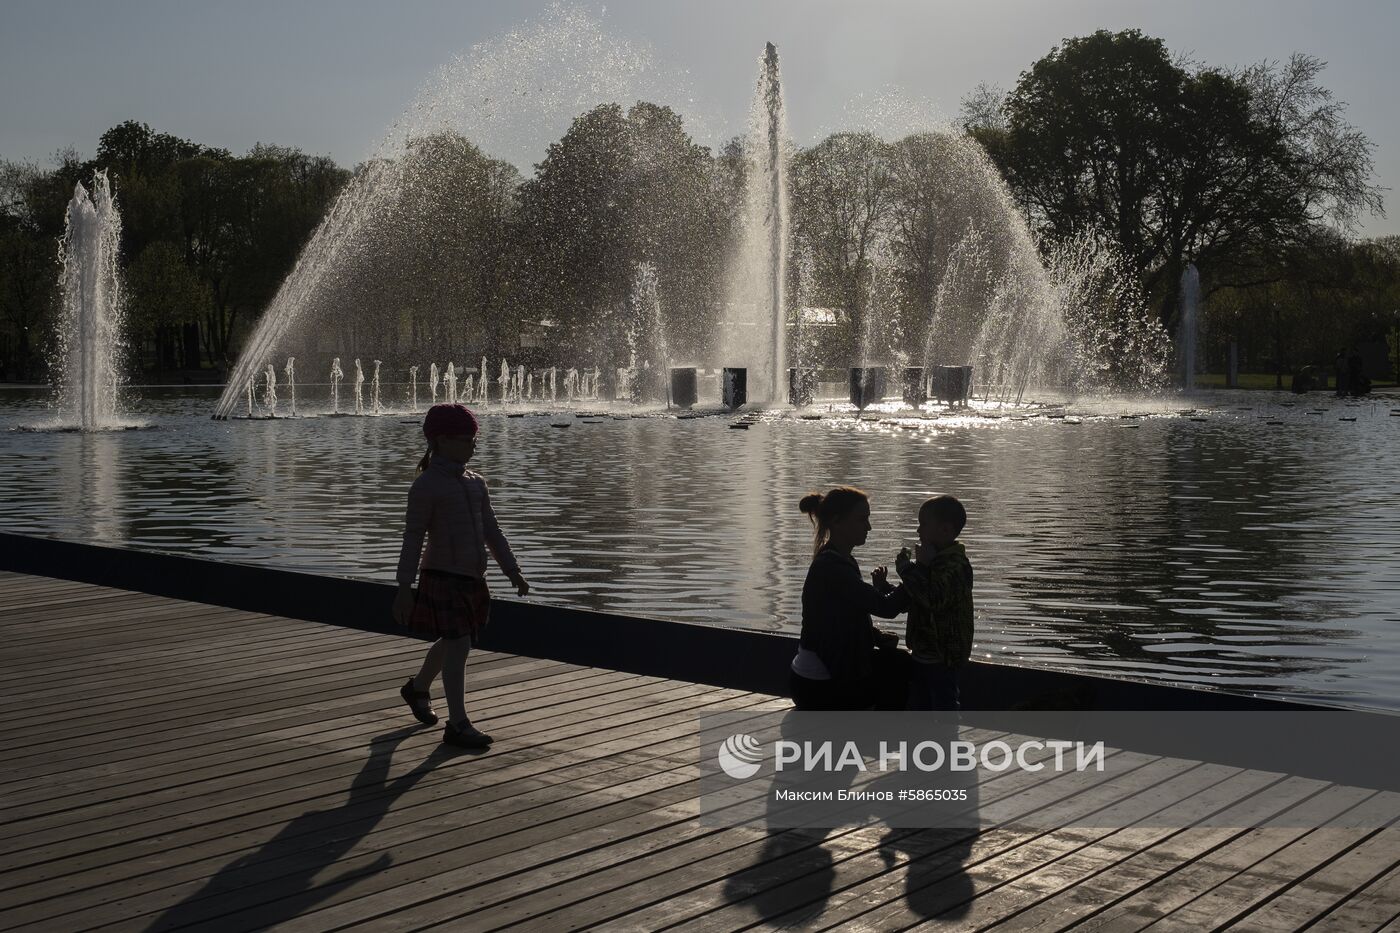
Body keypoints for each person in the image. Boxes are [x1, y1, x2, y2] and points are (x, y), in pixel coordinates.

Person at [392, 403, 529, 748]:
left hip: (471, 576)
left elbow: (491, 530)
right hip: (441, 574)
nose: (472, 446)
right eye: (465, 440)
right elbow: (412, 537)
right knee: (459, 643)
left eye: (473, 440)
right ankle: (458, 723)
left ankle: (418, 687)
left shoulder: (476, 483)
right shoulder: (426, 486)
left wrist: (511, 569)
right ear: (441, 441)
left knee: (455, 640)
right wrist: (404, 587)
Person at [790, 486, 909, 710]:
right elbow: (886, 608)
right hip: (818, 685)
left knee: (897, 661)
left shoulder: (839, 559)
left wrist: (875, 636)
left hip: (821, 677)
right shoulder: (832, 567)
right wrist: (916, 573)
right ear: (837, 522)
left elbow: (843, 617)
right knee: (900, 667)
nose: (869, 527)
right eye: (862, 520)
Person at [896, 495, 974, 711]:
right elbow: (915, 599)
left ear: (946, 530)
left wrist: (907, 570)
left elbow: (932, 599)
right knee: (918, 706)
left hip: (944, 657)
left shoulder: (955, 566)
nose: (918, 531)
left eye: (923, 525)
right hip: (922, 653)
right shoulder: (931, 562)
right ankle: (922, 741)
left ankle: (947, 742)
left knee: (943, 705)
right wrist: (886, 589)